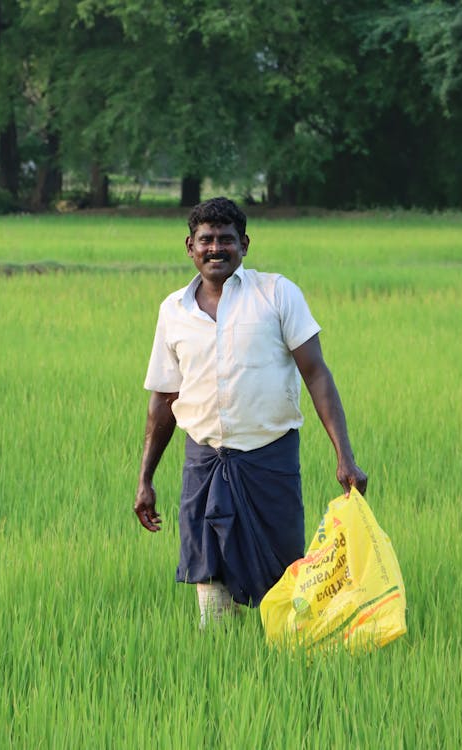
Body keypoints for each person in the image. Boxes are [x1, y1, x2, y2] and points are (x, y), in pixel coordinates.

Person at [135, 197, 367, 626]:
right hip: (203, 461)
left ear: (244, 244)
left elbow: (316, 374)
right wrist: (145, 479)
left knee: (281, 571)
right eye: (206, 240)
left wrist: (344, 455)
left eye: (226, 239)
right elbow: (164, 399)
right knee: (208, 569)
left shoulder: (276, 294)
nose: (216, 249)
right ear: (190, 246)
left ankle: (278, 658)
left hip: (268, 459)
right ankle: (218, 654)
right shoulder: (174, 311)